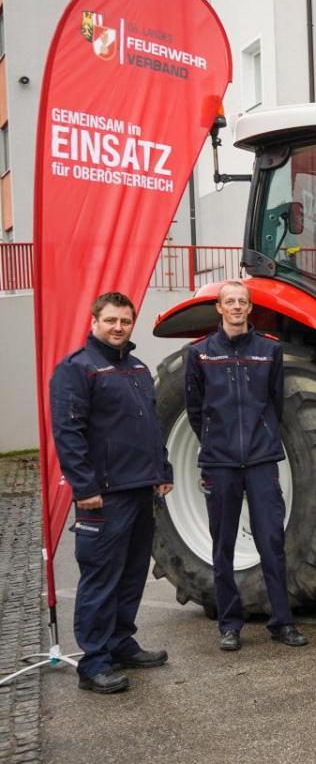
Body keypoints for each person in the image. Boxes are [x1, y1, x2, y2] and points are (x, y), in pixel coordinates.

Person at [50, 292, 174, 694]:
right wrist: (84, 488)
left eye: (124, 321)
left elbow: (151, 426)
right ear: (94, 322)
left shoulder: (136, 369)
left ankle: (121, 643)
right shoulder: (77, 370)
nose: (118, 327)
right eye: (111, 321)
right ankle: (94, 662)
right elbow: (68, 434)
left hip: (141, 490)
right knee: (101, 578)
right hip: (103, 495)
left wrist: (163, 468)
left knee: (132, 574)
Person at [185, 280, 307, 651]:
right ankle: (230, 624)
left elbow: (275, 402)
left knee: (272, 541)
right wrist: (216, 439)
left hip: (260, 460)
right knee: (222, 545)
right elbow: (195, 409)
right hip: (220, 463)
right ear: (219, 309)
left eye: (242, 302)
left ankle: (282, 622)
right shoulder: (200, 354)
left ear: (250, 309)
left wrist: (263, 437)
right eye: (230, 302)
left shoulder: (269, 351)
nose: (236, 307)